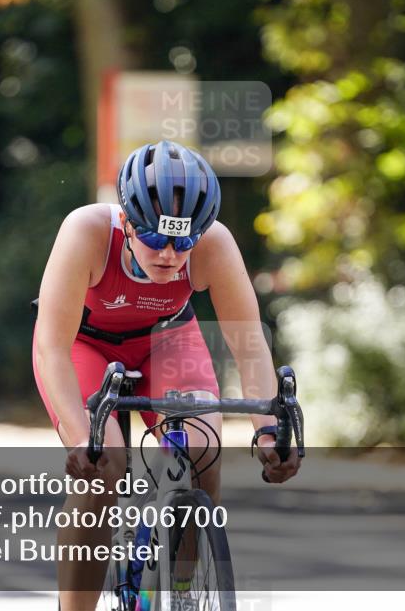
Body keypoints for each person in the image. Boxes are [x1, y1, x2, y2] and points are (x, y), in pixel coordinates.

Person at [32, 139, 301, 611]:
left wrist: (268, 433)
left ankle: (179, 595)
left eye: (184, 239)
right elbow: (51, 345)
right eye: (156, 238)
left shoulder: (214, 245)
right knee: (103, 470)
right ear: (127, 222)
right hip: (85, 343)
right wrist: (80, 438)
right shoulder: (86, 231)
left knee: (202, 450)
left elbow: (250, 347)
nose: (170, 254)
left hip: (166, 340)